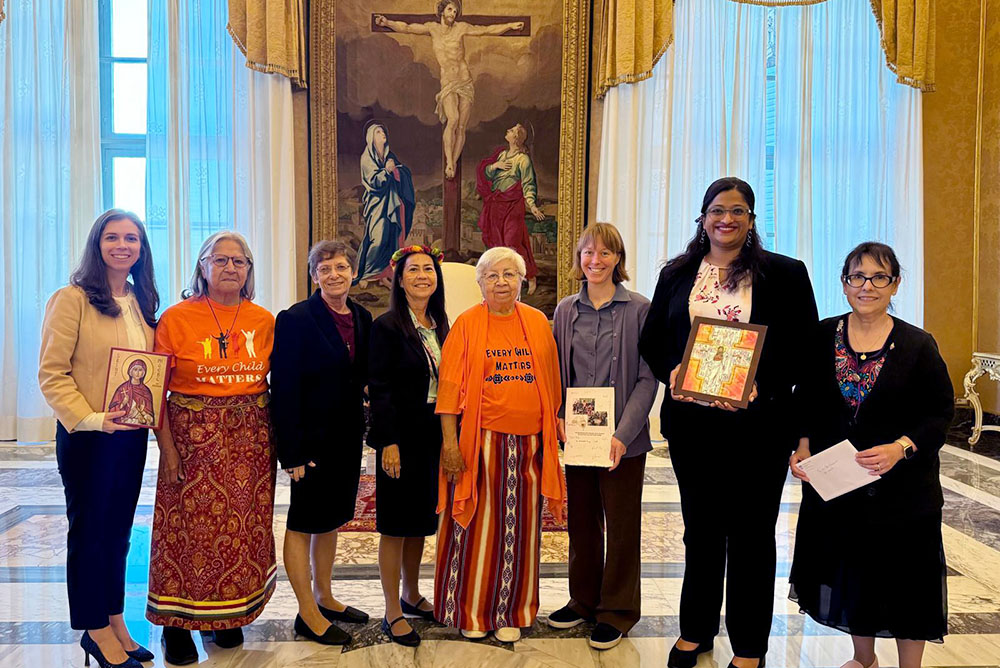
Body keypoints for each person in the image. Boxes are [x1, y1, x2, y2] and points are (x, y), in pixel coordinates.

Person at [639, 177, 819, 668]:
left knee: (752, 535)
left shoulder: (784, 273)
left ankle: (749, 645)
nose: (727, 219)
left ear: (751, 220)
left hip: (758, 427)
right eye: (717, 210)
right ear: (702, 218)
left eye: (738, 211)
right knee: (699, 530)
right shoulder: (677, 275)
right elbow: (653, 341)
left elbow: (806, 349)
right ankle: (695, 631)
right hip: (693, 427)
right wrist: (672, 369)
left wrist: (765, 383)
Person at [788, 243, 953, 668]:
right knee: (855, 573)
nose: (868, 286)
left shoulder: (918, 345)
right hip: (840, 487)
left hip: (904, 494)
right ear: (844, 284)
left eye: (880, 277)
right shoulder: (822, 336)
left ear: (895, 283)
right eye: (858, 277)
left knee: (906, 582)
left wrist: (901, 448)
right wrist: (802, 447)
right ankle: (864, 659)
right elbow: (804, 400)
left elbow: (939, 414)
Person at [146, 231, 277, 665]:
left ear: (249, 270)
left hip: (250, 439)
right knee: (187, 530)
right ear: (201, 267)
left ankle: (228, 613)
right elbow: (154, 392)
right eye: (219, 260)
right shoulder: (176, 319)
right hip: (192, 435)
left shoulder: (263, 319)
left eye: (239, 262)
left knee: (239, 530)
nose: (229, 268)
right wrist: (167, 448)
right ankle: (176, 624)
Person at [38, 209, 159, 668]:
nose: (122, 245)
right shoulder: (71, 299)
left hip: (130, 436)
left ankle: (115, 619)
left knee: (118, 534)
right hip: (88, 434)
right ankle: (93, 629)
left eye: (131, 238)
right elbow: (52, 374)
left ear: (141, 249)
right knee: (89, 533)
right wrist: (90, 417)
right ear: (98, 244)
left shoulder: (140, 299)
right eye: (113, 238)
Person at [432, 246, 566, 644]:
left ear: (522, 281)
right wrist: (450, 444)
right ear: (480, 284)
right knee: (475, 529)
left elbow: (551, 378)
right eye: (492, 276)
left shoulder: (539, 321)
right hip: (482, 442)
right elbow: (450, 390)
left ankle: (513, 609)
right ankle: (472, 610)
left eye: (509, 275)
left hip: (529, 446)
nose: (502, 282)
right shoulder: (467, 324)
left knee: (520, 531)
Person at [548, 223, 658, 650]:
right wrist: (558, 416)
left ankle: (617, 611)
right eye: (588, 253)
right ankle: (583, 601)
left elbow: (648, 379)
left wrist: (622, 434)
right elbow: (558, 371)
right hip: (578, 436)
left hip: (622, 440)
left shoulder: (639, 310)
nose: (595, 261)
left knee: (622, 525)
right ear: (579, 260)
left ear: (618, 259)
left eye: (605, 253)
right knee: (583, 523)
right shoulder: (564, 310)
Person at [270, 240, 374, 646]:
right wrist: (291, 451)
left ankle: (325, 595)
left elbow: (361, 376)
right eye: (325, 268)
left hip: (346, 440)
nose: (334, 274)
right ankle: (306, 613)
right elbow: (285, 387)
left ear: (352, 273)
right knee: (303, 521)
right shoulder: (296, 319)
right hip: (309, 444)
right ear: (314, 276)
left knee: (331, 519)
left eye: (341, 267)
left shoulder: (362, 317)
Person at [368, 245, 450, 647]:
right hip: (401, 434)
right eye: (413, 270)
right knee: (395, 525)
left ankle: (412, 593)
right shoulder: (386, 327)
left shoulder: (442, 324)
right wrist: (388, 442)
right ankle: (391, 611)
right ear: (399, 280)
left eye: (428, 269)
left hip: (434, 433)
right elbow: (379, 390)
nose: (422, 276)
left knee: (420, 521)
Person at [374, 2, 525, 179]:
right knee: (452, 119)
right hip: (448, 82)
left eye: (455, 10)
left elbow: (486, 30)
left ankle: (452, 161)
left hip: (465, 80)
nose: (453, 13)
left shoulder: (461, 28)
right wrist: (387, 23)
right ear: (442, 11)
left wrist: (509, 26)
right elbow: (407, 27)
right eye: (450, 9)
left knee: (461, 126)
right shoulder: (432, 29)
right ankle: (450, 164)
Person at [476, 123, 545, 295]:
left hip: (513, 205)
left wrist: (533, 206)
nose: (508, 130)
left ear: (516, 138)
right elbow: (487, 174)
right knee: (497, 244)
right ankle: (501, 281)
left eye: (512, 130)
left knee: (512, 243)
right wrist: (495, 166)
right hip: (496, 206)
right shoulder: (502, 155)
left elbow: (528, 184)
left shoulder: (523, 159)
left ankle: (529, 276)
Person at [355, 123, 416, 289]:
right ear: (371, 137)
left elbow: (402, 172)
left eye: (383, 131)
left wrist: (396, 170)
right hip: (377, 203)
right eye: (378, 131)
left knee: (392, 237)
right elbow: (373, 181)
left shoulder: (390, 156)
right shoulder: (367, 158)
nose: (383, 134)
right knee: (378, 237)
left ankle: (385, 275)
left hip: (393, 203)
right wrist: (387, 171)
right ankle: (367, 273)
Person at [107, 359, 156, 427]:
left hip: (139, 425)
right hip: (120, 424)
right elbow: (112, 408)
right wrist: (123, 403)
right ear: (130, 372)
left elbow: (149, 414)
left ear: (143, 373)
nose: (138, 373)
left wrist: (144, 413)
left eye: (140, 370)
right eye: (135, 370)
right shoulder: (122, 388)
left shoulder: (146, 391)